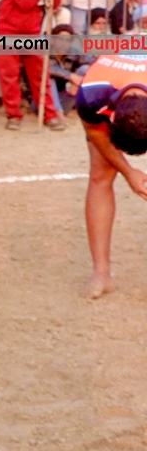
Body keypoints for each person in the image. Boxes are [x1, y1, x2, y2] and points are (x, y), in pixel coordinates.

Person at [75, 55, 147, 298]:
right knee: (100, 173)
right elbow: (96, 133)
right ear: (112, 116)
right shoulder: (91, 94)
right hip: (111, 82)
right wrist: (129, 172)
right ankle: (101, 274)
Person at [0, 0, 65, 130]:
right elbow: (24, 3)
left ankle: (49, 115)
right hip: (9, 30)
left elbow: (55, 4)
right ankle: (13, 115)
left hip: (33, 31)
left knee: (40, 76)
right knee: (9, 76)